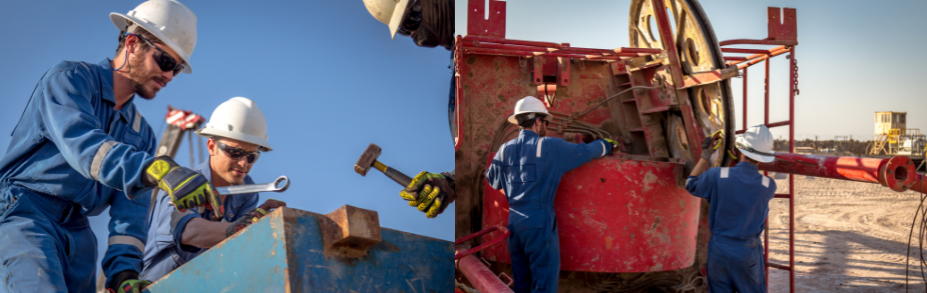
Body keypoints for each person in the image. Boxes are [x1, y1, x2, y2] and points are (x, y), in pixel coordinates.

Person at [0, 1, 223, 292]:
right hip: (26, 212)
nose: (169, 76)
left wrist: (124, 271)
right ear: (132, 43)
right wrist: (157, 169)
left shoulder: (142, 135)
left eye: (177, 69)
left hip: (79, 234)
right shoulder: (69, 80)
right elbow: (86, 147)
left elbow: (131, 213)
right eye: (165, 62)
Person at [140, 97, 286, 281]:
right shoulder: (181, 186)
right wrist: (240, 229)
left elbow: (239, 252)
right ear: (211, 146)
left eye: (251, 156)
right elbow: (190, 232)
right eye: (235, 152)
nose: (243, 163)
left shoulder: (247, 194)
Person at [485, 96, 619, 293]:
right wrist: (607, 145)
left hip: (514, 223)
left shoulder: (504, 150)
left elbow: (492, 180)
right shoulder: (550, 147)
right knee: (544, 283)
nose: (546, 126)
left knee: (522, 284)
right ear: (538, 121)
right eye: (545, 122)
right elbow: (586, 151)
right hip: (539, 221)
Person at [362, 0, 456, 218]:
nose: (415, 34)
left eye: (412, 19)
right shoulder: (463, 70)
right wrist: (451, 181)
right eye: (404, 30)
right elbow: (487, 157)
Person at [685, 124, 778, 293]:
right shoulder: (768, 185)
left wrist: (706, 155)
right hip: (747, 252)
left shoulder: (717, 175)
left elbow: (690, 184)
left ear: (738, 149)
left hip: (719, 250)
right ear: (764, 157)